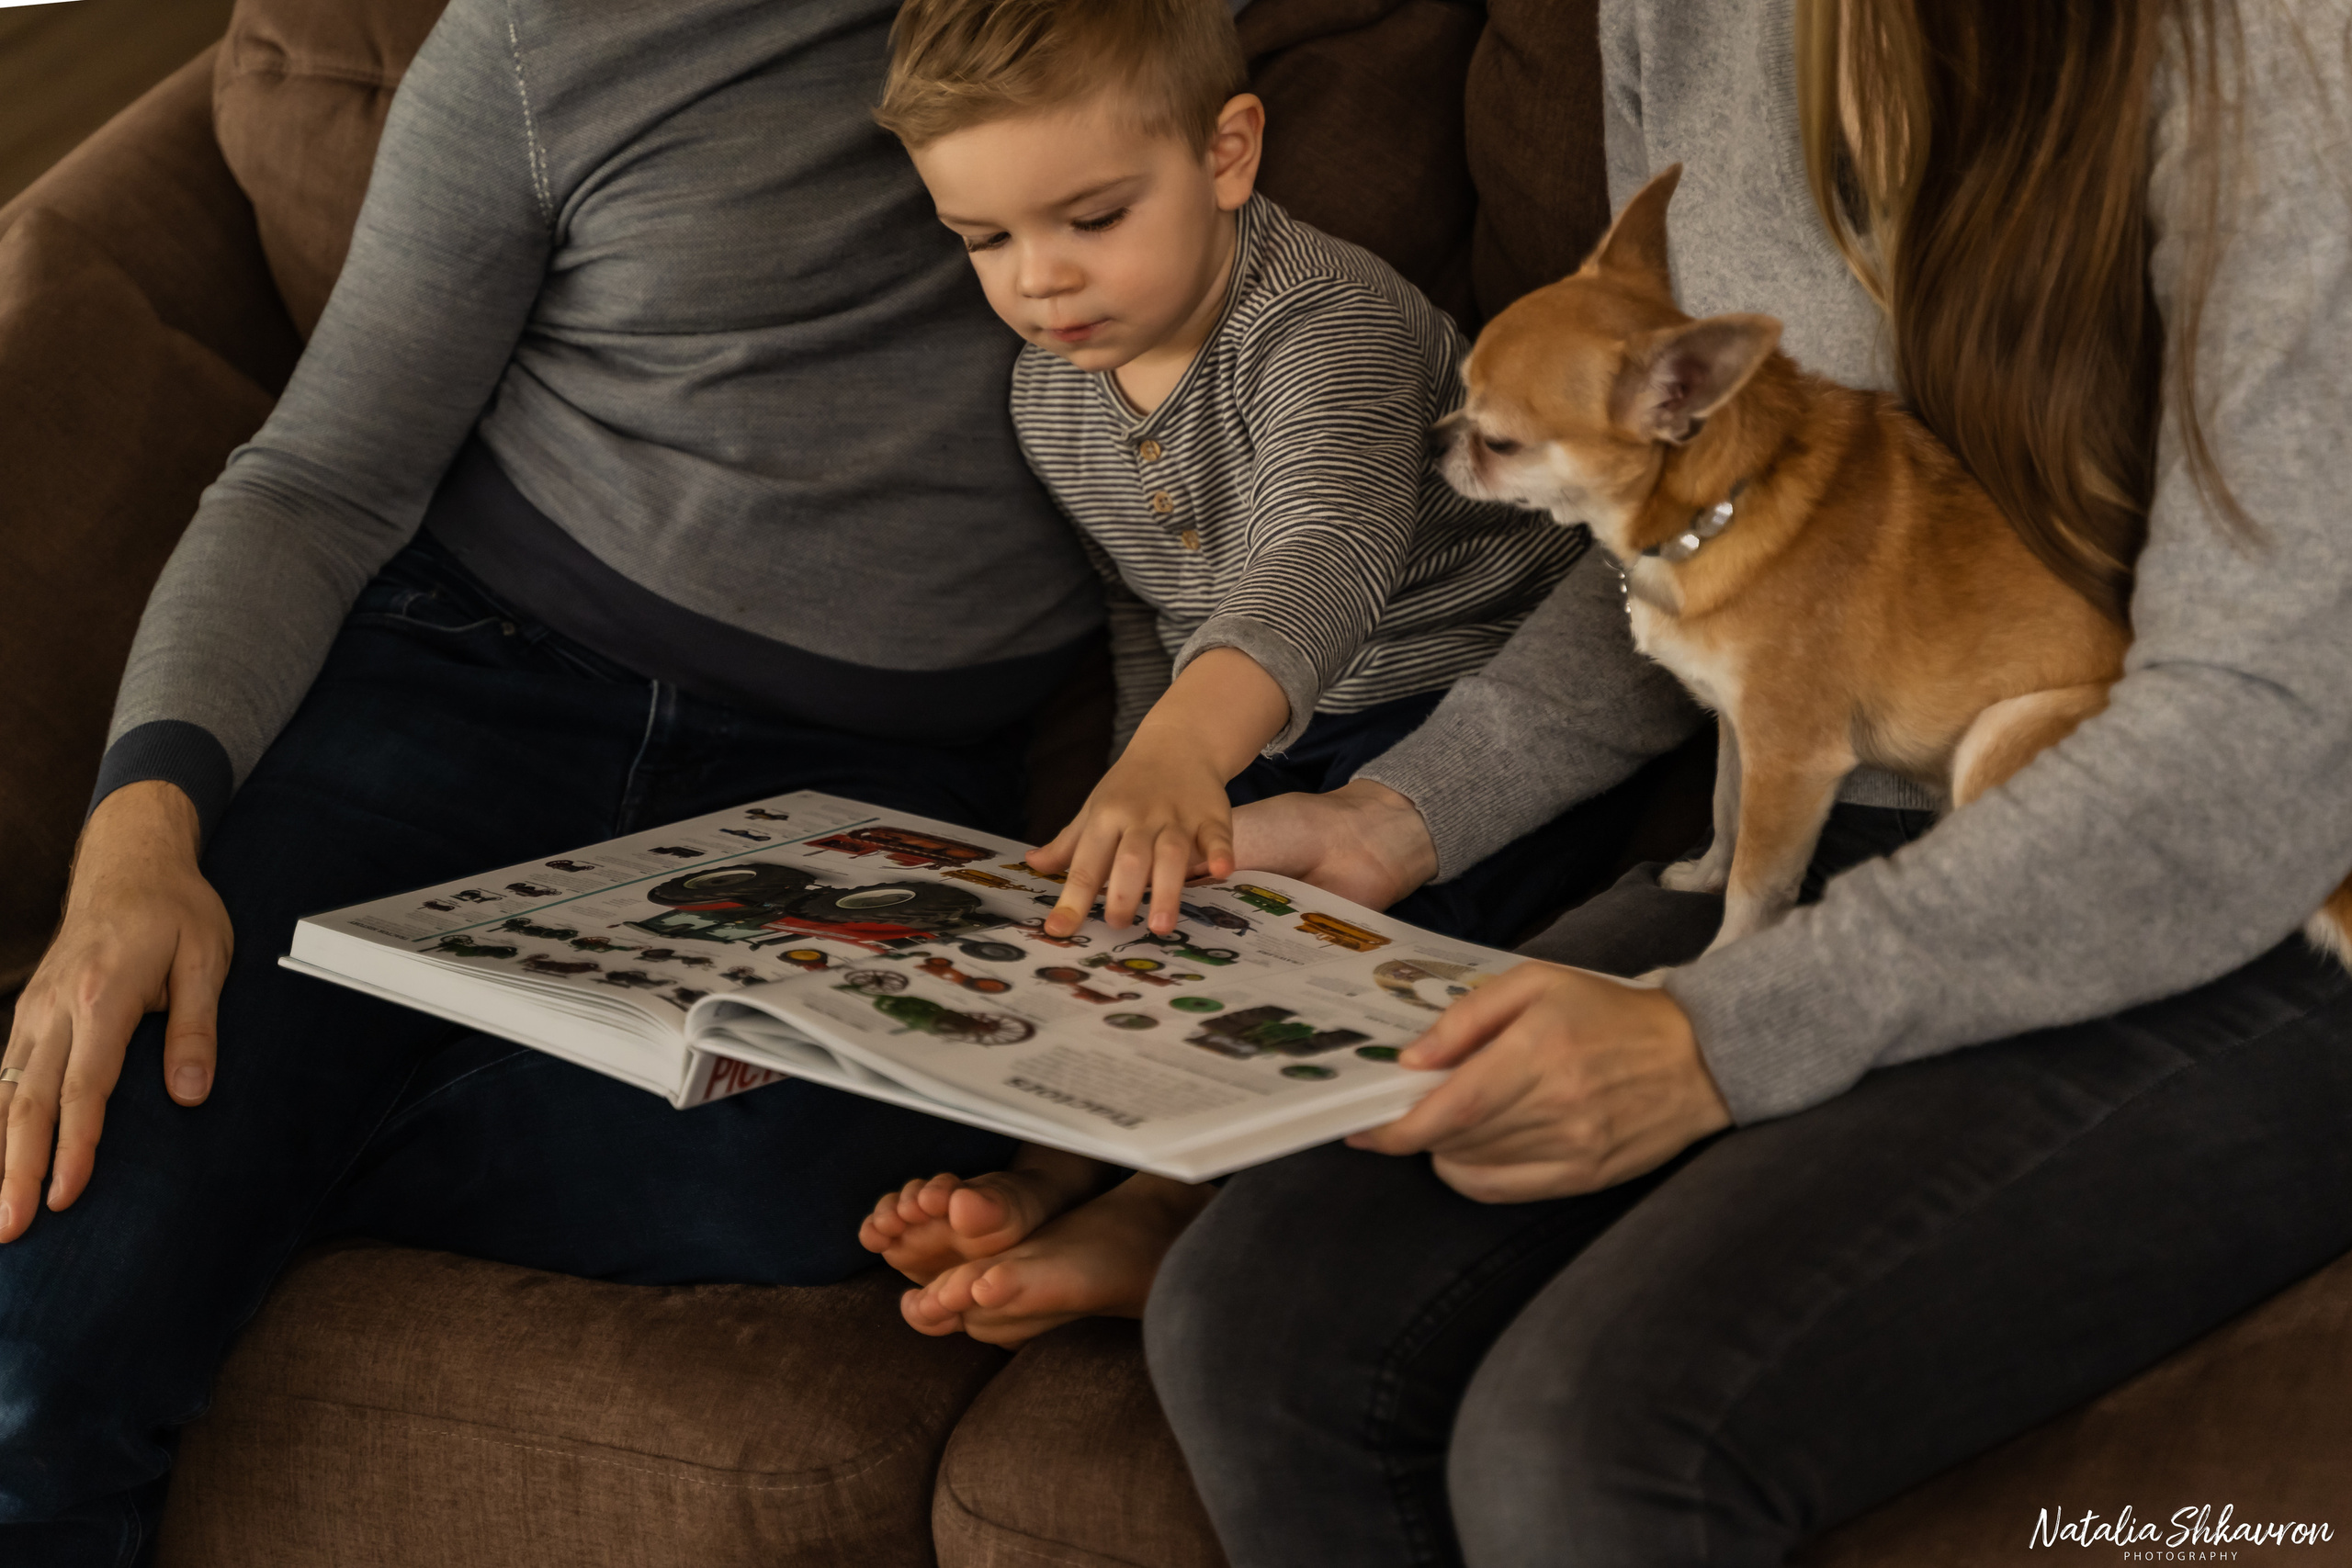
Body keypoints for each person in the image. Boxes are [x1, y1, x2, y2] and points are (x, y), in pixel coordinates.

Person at [1131, 1, 2352, 1563]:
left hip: (2245, 871)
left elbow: (2258, 721)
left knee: (1585, 1441)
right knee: (1254, 1330)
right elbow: (1686, 537)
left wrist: (1724, 1034)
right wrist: (1395, 817)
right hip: (1850, 835)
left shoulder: (2275, 51)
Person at [1, 0, 1110, 1557]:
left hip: (869, 784)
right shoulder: (545, 36)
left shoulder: (1136, 32)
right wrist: (137, 847)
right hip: (465, 682)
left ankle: (268, 1134)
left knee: (816, 1180)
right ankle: (236, 1138)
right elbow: (314, 481)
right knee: (40, 1335)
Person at [851, 0, 1666, 1338]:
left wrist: (1186, 751)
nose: (1038, 281)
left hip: (1457, 703)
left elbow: (1321, 557)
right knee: (1112, 927)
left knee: (1346, 968)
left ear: (1227, 154)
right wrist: (1147, 769)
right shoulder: (1050, 391)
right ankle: (1055, 1163)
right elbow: (1147, 609)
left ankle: (1170, 1212)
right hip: (1256, 729)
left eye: (1092, 218)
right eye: (985, 239)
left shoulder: (1325, 324)